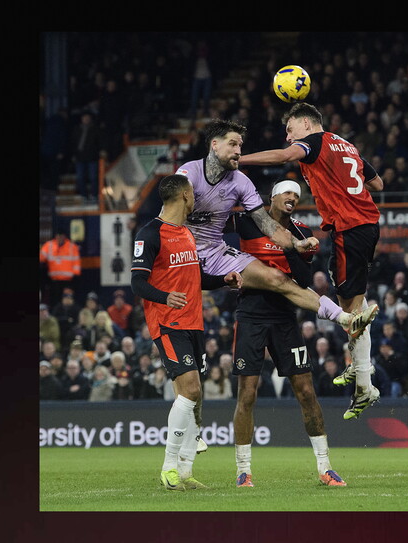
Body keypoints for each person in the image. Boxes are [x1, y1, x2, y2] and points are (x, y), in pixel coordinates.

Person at [175, 119, 378, 364]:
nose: (238, 151)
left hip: (216, 252)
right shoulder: (189, 172)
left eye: (240, 146)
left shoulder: (241, 182)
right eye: (233, 145)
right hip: (181, 250)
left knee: (278, 278)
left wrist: (294, 244)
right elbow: (172, 212)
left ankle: (344, 318)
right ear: (214, 145)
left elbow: (266, 223)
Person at [238, 103, 385, 420]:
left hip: (350, 228)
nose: (288, 136)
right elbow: (377, 184)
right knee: (352, 304)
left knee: (351, 312)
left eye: (290, 129)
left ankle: (364, 381)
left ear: (306, 123)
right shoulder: (345, 144)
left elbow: (283, 156)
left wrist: (239, 160)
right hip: (365, 224)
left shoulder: (314, 142)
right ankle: (360, 366)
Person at [225, 180, 347, 487]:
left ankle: (325, 467)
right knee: (247, 394)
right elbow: (213, 224)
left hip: (285, 318)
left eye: (297, 194)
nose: (293, 197)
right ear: (273, 197)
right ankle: (243, 471)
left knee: (306, 391)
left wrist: (290, 245)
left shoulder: (302, 232)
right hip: (250, 316)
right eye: (287, 193)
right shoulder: (247, 222)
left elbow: (303, 279)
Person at [130, 174, 243, 491]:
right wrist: (165, 297)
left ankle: (185, 471)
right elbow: (137, 283)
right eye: (193, 193)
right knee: (190, 389)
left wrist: (223, 280)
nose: (196, 197)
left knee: (194, 395)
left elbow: (197, 277)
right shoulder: (150, 233)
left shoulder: (187, 234)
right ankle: (168, 468)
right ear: (183, 196)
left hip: (194, 323)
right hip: (168, 323)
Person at [40, 229, 81, 309]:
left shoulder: (72, 247)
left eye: (61, 236)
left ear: (64, 236)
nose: (59, 238)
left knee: (67, 301)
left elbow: (76, 264)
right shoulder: (49, 245)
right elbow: (41, 258)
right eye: (58, 236)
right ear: (56, 236)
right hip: (53, 281)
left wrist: (75, 279)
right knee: (54, 302)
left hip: (68, 282)